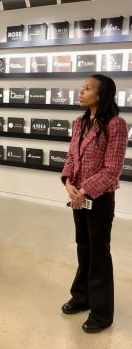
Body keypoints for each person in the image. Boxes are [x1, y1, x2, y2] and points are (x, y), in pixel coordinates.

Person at [61, 74, 128, 333]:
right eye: (82, 87)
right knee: (83, 247)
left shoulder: (116, 124)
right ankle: (82, 297)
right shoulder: (80, 122)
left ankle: (101, 314)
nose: (81, 91)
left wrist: (84, 191)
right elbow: (71, 156)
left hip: (98, 199)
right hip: (77, 196)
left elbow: (112, 170)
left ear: (101, 96)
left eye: (87, 88)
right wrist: (68, 183)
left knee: (99, 252)